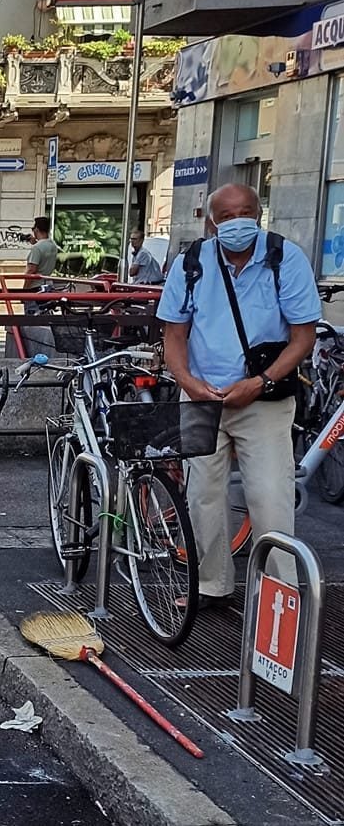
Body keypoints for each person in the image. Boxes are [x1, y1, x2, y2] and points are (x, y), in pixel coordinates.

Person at [158, 184, 319, 608]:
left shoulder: (286, 258)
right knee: (201, 497)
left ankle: (279, 596)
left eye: (245, 212)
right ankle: (210, 585)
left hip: (263, 400)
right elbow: (174, 336)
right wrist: (189, 383)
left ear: (260, 214)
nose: (236, 222)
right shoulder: (191, 262)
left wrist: (261, 382)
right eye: (226, 216)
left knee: (270, 498)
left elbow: (303, 338)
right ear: (211, 222)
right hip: (202, 398)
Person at [23, 216, 59, 314]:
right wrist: (35, 243)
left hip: (35, 288)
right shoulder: (53, 245)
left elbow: (32, 270)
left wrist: (24, 289)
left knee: (32, 317)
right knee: (45, 316)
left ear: (37, 229)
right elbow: (44, 254)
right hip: (48, 286)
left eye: (33, 228)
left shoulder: (37, 248)